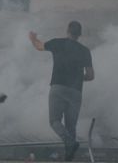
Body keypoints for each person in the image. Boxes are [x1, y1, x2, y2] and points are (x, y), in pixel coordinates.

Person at [29, 21, 94, 162]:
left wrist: (33, 39)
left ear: (68, 31)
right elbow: (90, 76)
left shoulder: (57, 43)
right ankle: (69, 158)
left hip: (58, 89)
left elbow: (39, 46)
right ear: (80, 34)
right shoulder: (85, 51)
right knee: (71, 127)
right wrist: (77, 78)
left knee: (54, 121)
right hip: (76, 91)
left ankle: (70, 144)